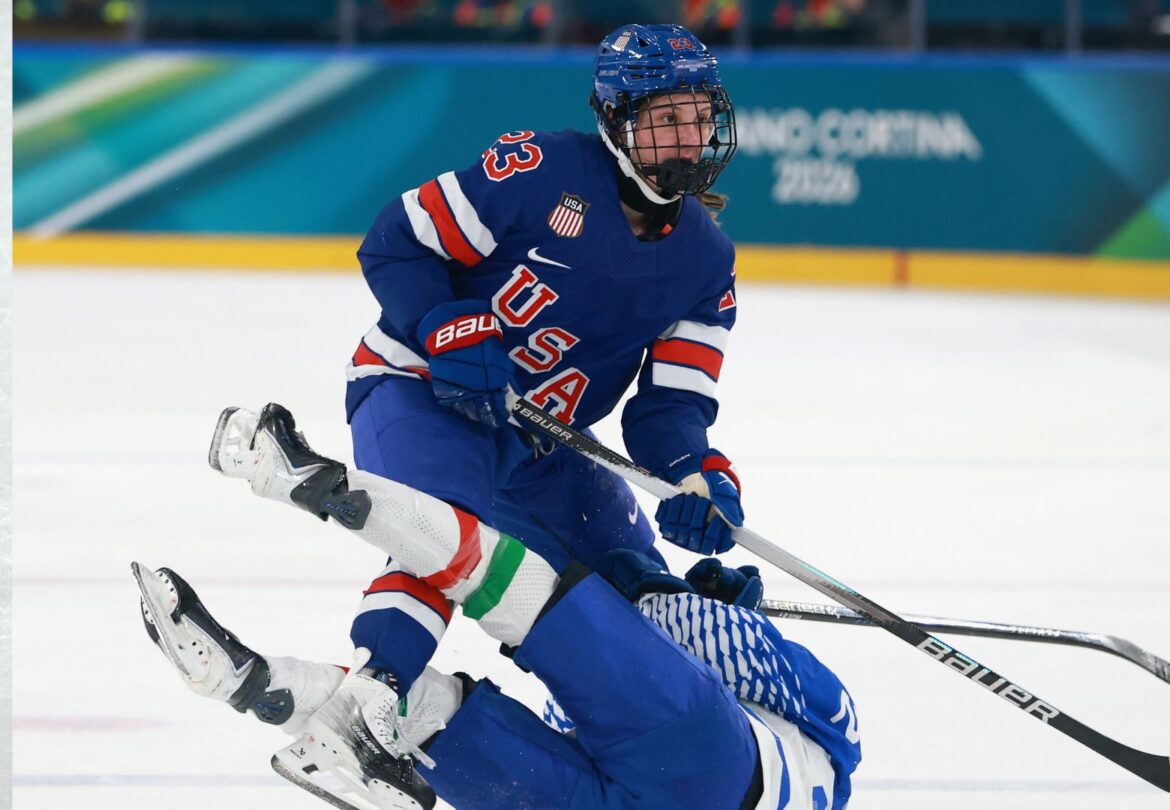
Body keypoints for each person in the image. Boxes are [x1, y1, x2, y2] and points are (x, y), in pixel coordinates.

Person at [137, 402, 861, 809]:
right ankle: (250, 684)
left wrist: (672, 594)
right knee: (426, 721)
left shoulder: (837, 736)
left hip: (710, 766)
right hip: (671, 781)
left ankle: (307, 479)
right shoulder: (825, 751)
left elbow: (681, 626)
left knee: (523, 593)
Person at [337, 21, 746, 712]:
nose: (688, 138)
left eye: (700, 117)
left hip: (537, 443)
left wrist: (692, 473)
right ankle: (371, 699)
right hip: (420, 386)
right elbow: (397, 241)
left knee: (633, 588)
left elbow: (670, 406)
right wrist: (447, 326)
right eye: (667, 119)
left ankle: (614, 729)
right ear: (616, 120)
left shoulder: (707, 263)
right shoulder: (538, 172)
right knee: (443, 528)